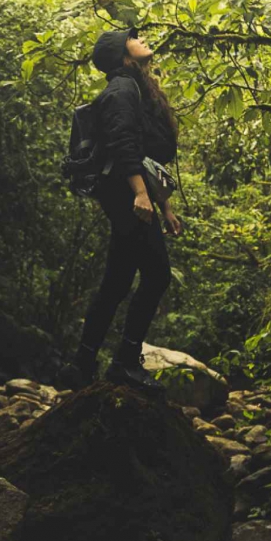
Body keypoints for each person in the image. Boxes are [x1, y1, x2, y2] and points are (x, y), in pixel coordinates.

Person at [63, 26, 183, 393]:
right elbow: (123, 144)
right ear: (122, 54)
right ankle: (125, 363)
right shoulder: (121, 90)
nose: (141, 38)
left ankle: (82, 365)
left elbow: (145, 156)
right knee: (157, 275)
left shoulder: (133, 87)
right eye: (132, 38)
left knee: (116, 282)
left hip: (128, 194)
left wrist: (164, 205)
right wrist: (140, 195)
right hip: (125, 195)